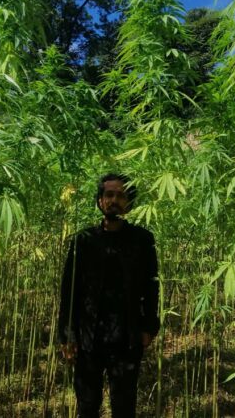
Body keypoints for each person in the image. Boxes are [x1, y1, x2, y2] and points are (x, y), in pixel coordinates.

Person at [58, 173, 160, 418]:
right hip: (88, 336)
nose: (114, 200)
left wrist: (149, 327)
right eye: (109, 194)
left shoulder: (142, 240)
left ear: (129, 202)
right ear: (100, 200)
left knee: (124, 406)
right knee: (87, 405)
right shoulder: (83, 240)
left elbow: (151, 286)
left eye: (120, 195)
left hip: (127, 336)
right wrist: (67, 336)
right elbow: (69, 290)